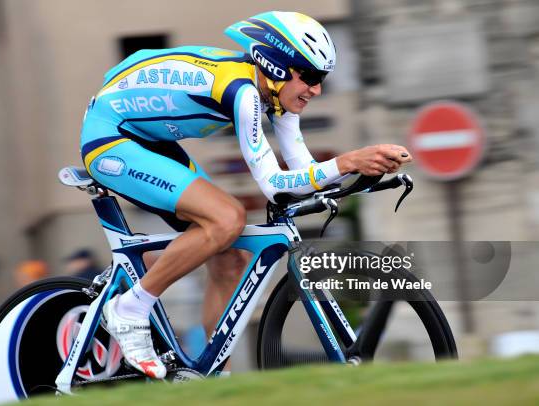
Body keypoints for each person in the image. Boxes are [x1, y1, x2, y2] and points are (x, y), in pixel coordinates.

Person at [80, 11, 412, 379]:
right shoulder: (242, 93)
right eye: (311, 77)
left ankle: (207, 378)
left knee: (231, 258)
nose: (317, 90)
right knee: (227, 218)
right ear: (277, 67)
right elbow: (272, 183)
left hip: (152, 142)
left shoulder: (277, 97)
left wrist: (365, 171)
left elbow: (301, 176)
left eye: (322, 80)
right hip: (111, 137)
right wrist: (349, 160)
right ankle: (130, 309)